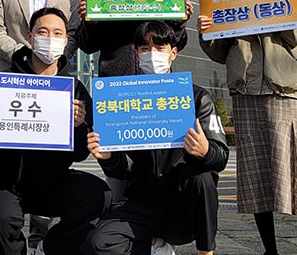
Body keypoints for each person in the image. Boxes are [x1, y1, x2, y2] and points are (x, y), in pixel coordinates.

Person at [198, 0, 297, 255]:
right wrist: (206, 33)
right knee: (256, 177)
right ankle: (271, 250)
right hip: (245, 94)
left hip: (283, 92)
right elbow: (220, 53)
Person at [0, 7, 111, 255]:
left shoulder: (75, 90)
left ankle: (49, 246)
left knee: (100, 195)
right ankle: (18, 251)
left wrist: (79, 126)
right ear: (29, 37)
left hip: (53, 182)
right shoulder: (1, 82)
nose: (50, 38)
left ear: (65, 40)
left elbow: (81, 153)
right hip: (6, 182)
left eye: (57, 33)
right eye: (43, 32)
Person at [81, 21, 229, 255]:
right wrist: (108, 157)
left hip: (182, 207)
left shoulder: (198, 96)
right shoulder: (122, 100)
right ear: (137, 55)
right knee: (97, 243)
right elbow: (121, 171)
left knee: (202, 177)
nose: (152, 55)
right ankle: (153, 246)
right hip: (142, 201)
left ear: (173, 53)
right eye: (144, 48)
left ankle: (206, 252)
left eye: (159, 48)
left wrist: (205, 151)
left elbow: (220, 157)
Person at [75, 0, 193, 205]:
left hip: (157, 86)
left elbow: (176, 43)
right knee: (117, 160)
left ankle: (159, 230)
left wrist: (180, 21)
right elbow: (86, 44)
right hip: (117, 87)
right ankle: (118, 219)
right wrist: (89, 20)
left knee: (159, 158)